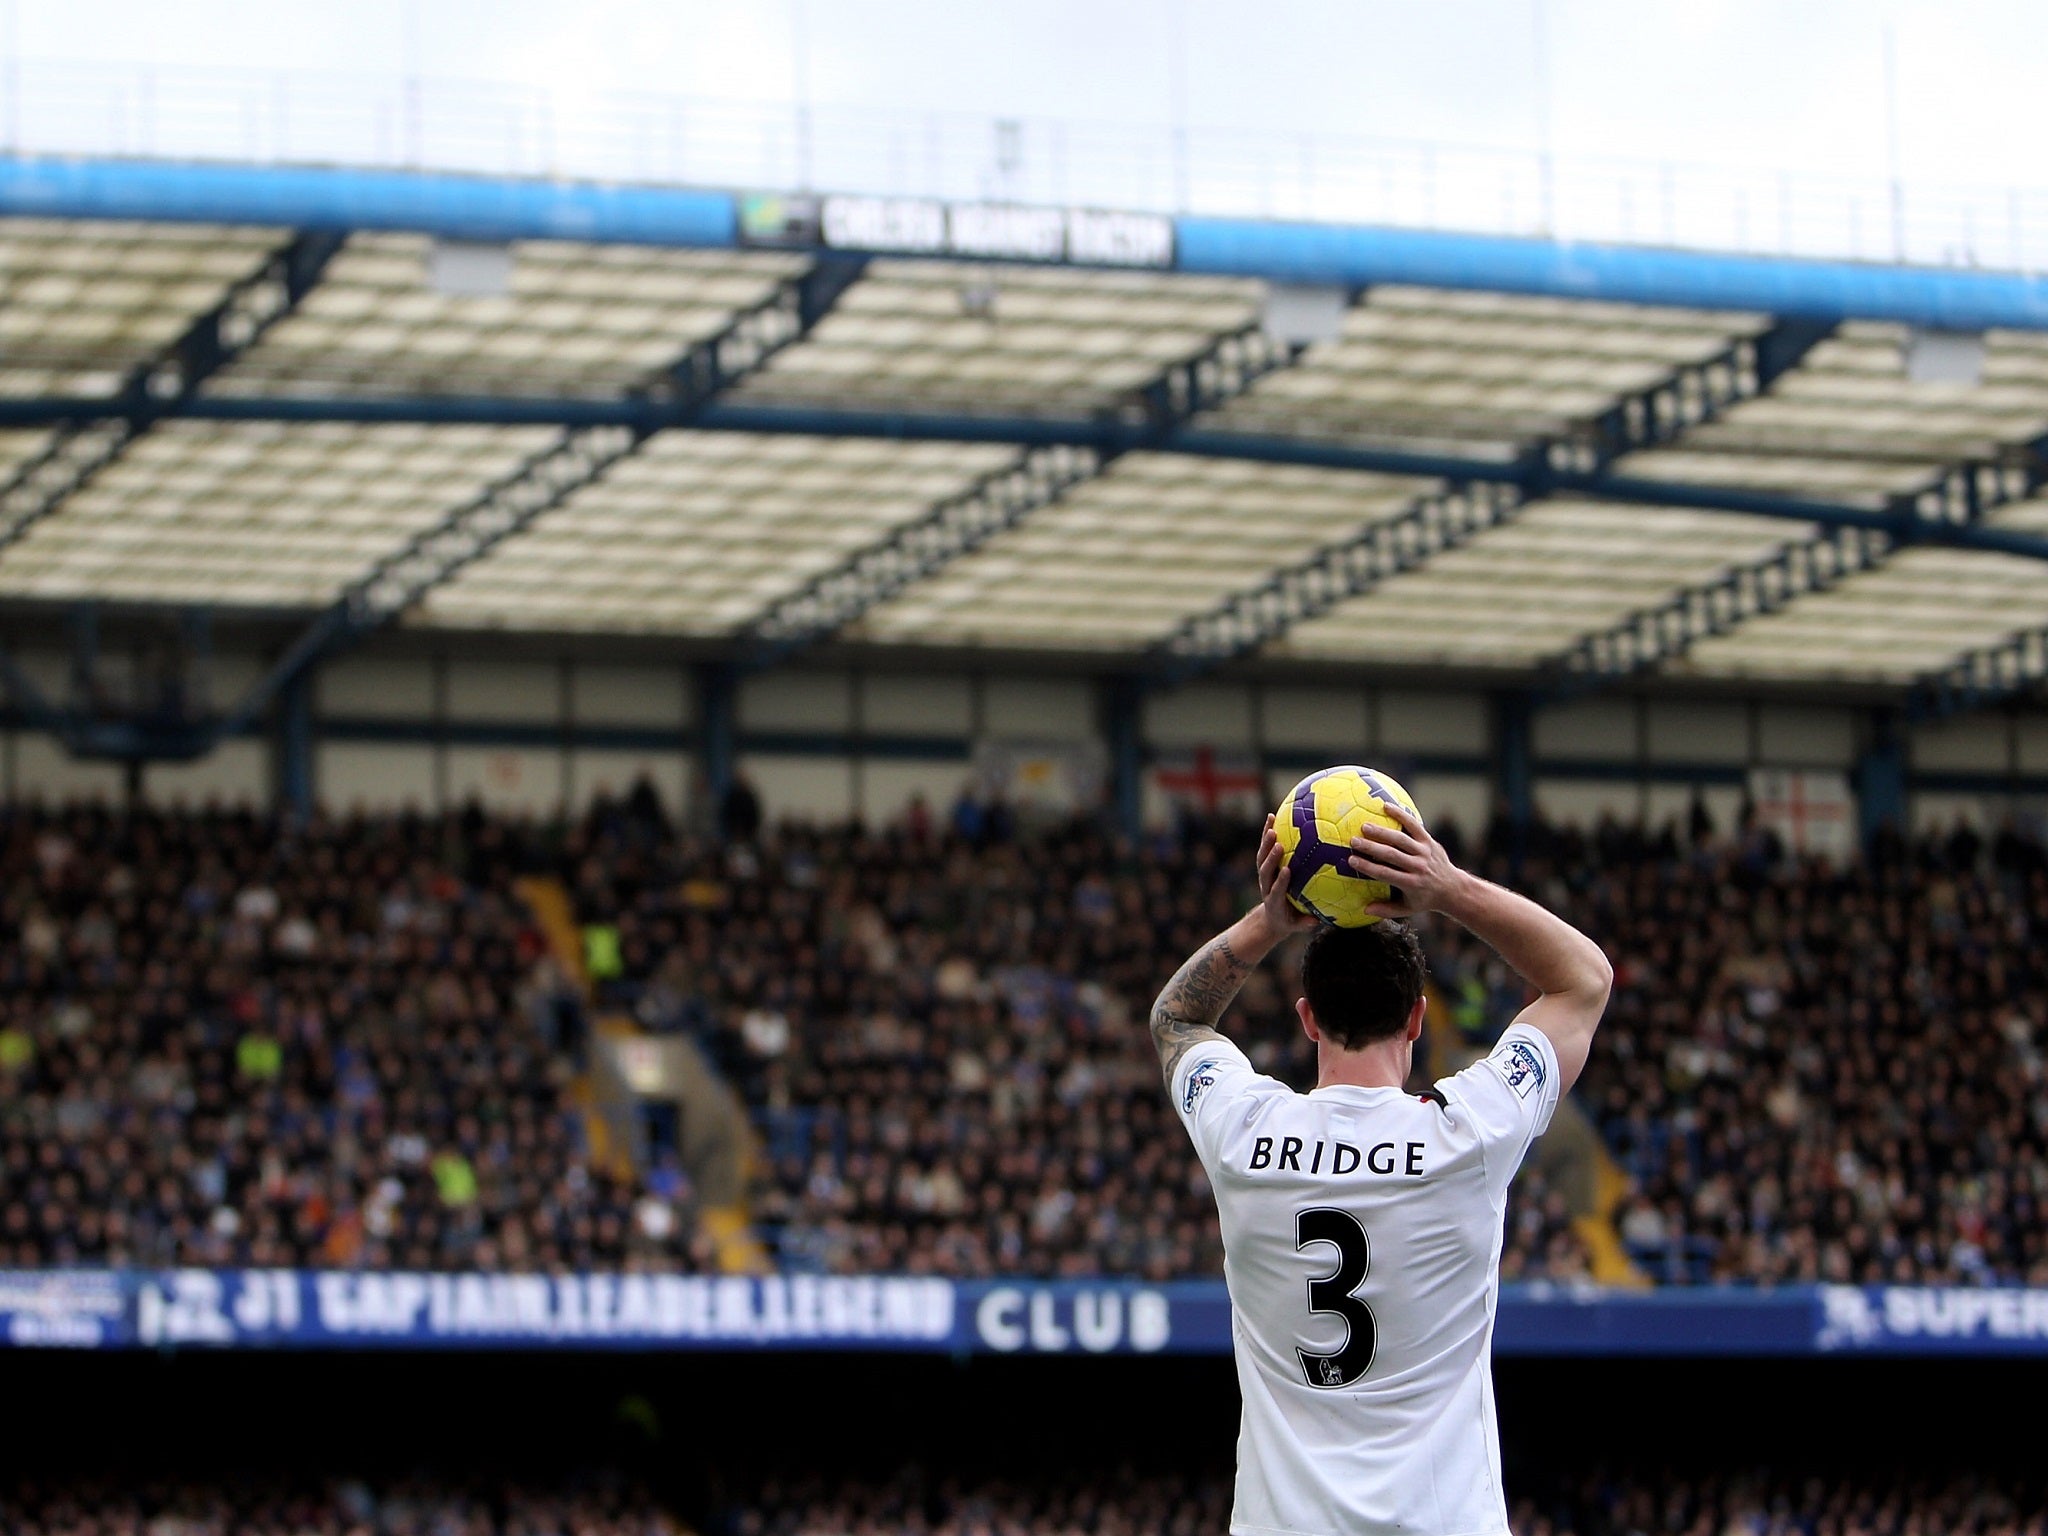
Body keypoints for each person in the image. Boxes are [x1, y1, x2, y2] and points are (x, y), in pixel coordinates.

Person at [1150, 801, 1611, 1536]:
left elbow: (1176, 1020)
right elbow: (1584, 980)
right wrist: (1448, 887)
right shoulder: (1471, 1132)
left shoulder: (1244, 1132)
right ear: (1418, 1019)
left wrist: (1270, 920)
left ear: (1307, 1018)